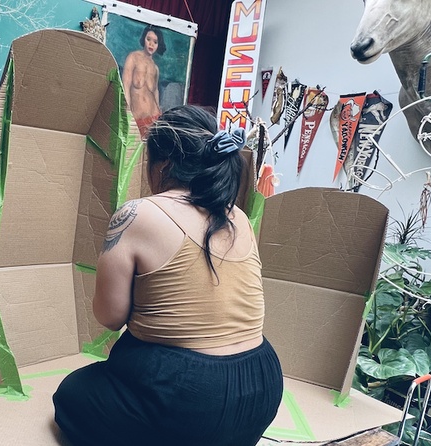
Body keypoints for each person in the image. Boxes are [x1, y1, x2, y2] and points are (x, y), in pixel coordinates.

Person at [53, 105, 283, 446]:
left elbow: (110, 317)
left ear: (162, 166)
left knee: (72, 394)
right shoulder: (237, 216)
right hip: (261, 388)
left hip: (190, 395)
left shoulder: (138, 213)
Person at [123, 25, 165, 139]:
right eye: (148, 39)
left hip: (154, 118)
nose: (151, 44)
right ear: (143, 39)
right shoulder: (133, 57)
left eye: (155, 42)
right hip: (136, 118)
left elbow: (155, 91)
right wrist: (127, 112)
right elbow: (126, 85)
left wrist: (159, 116)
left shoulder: (155, 68)